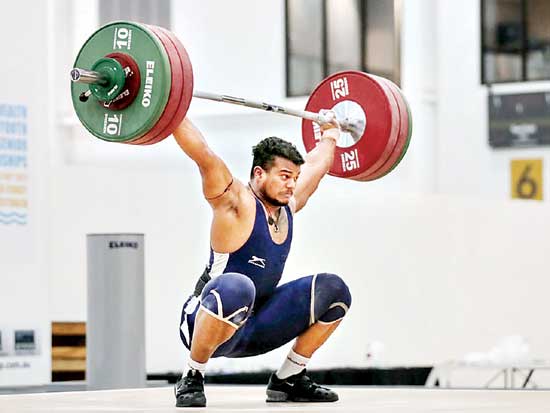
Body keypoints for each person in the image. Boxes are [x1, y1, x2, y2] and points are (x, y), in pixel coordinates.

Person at [173, 114, 352, 407]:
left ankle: (289, 379)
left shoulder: (288, 207)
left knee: (334, 290)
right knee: (238, 287)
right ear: (259, 174)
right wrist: (171, 110)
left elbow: (318, 167)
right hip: (205, 323)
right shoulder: (235, 202)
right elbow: (202, 153)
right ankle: (192, 375)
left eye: (294, 177)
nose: (292, 184)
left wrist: (331, 133)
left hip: (254, 326)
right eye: (284, 176)